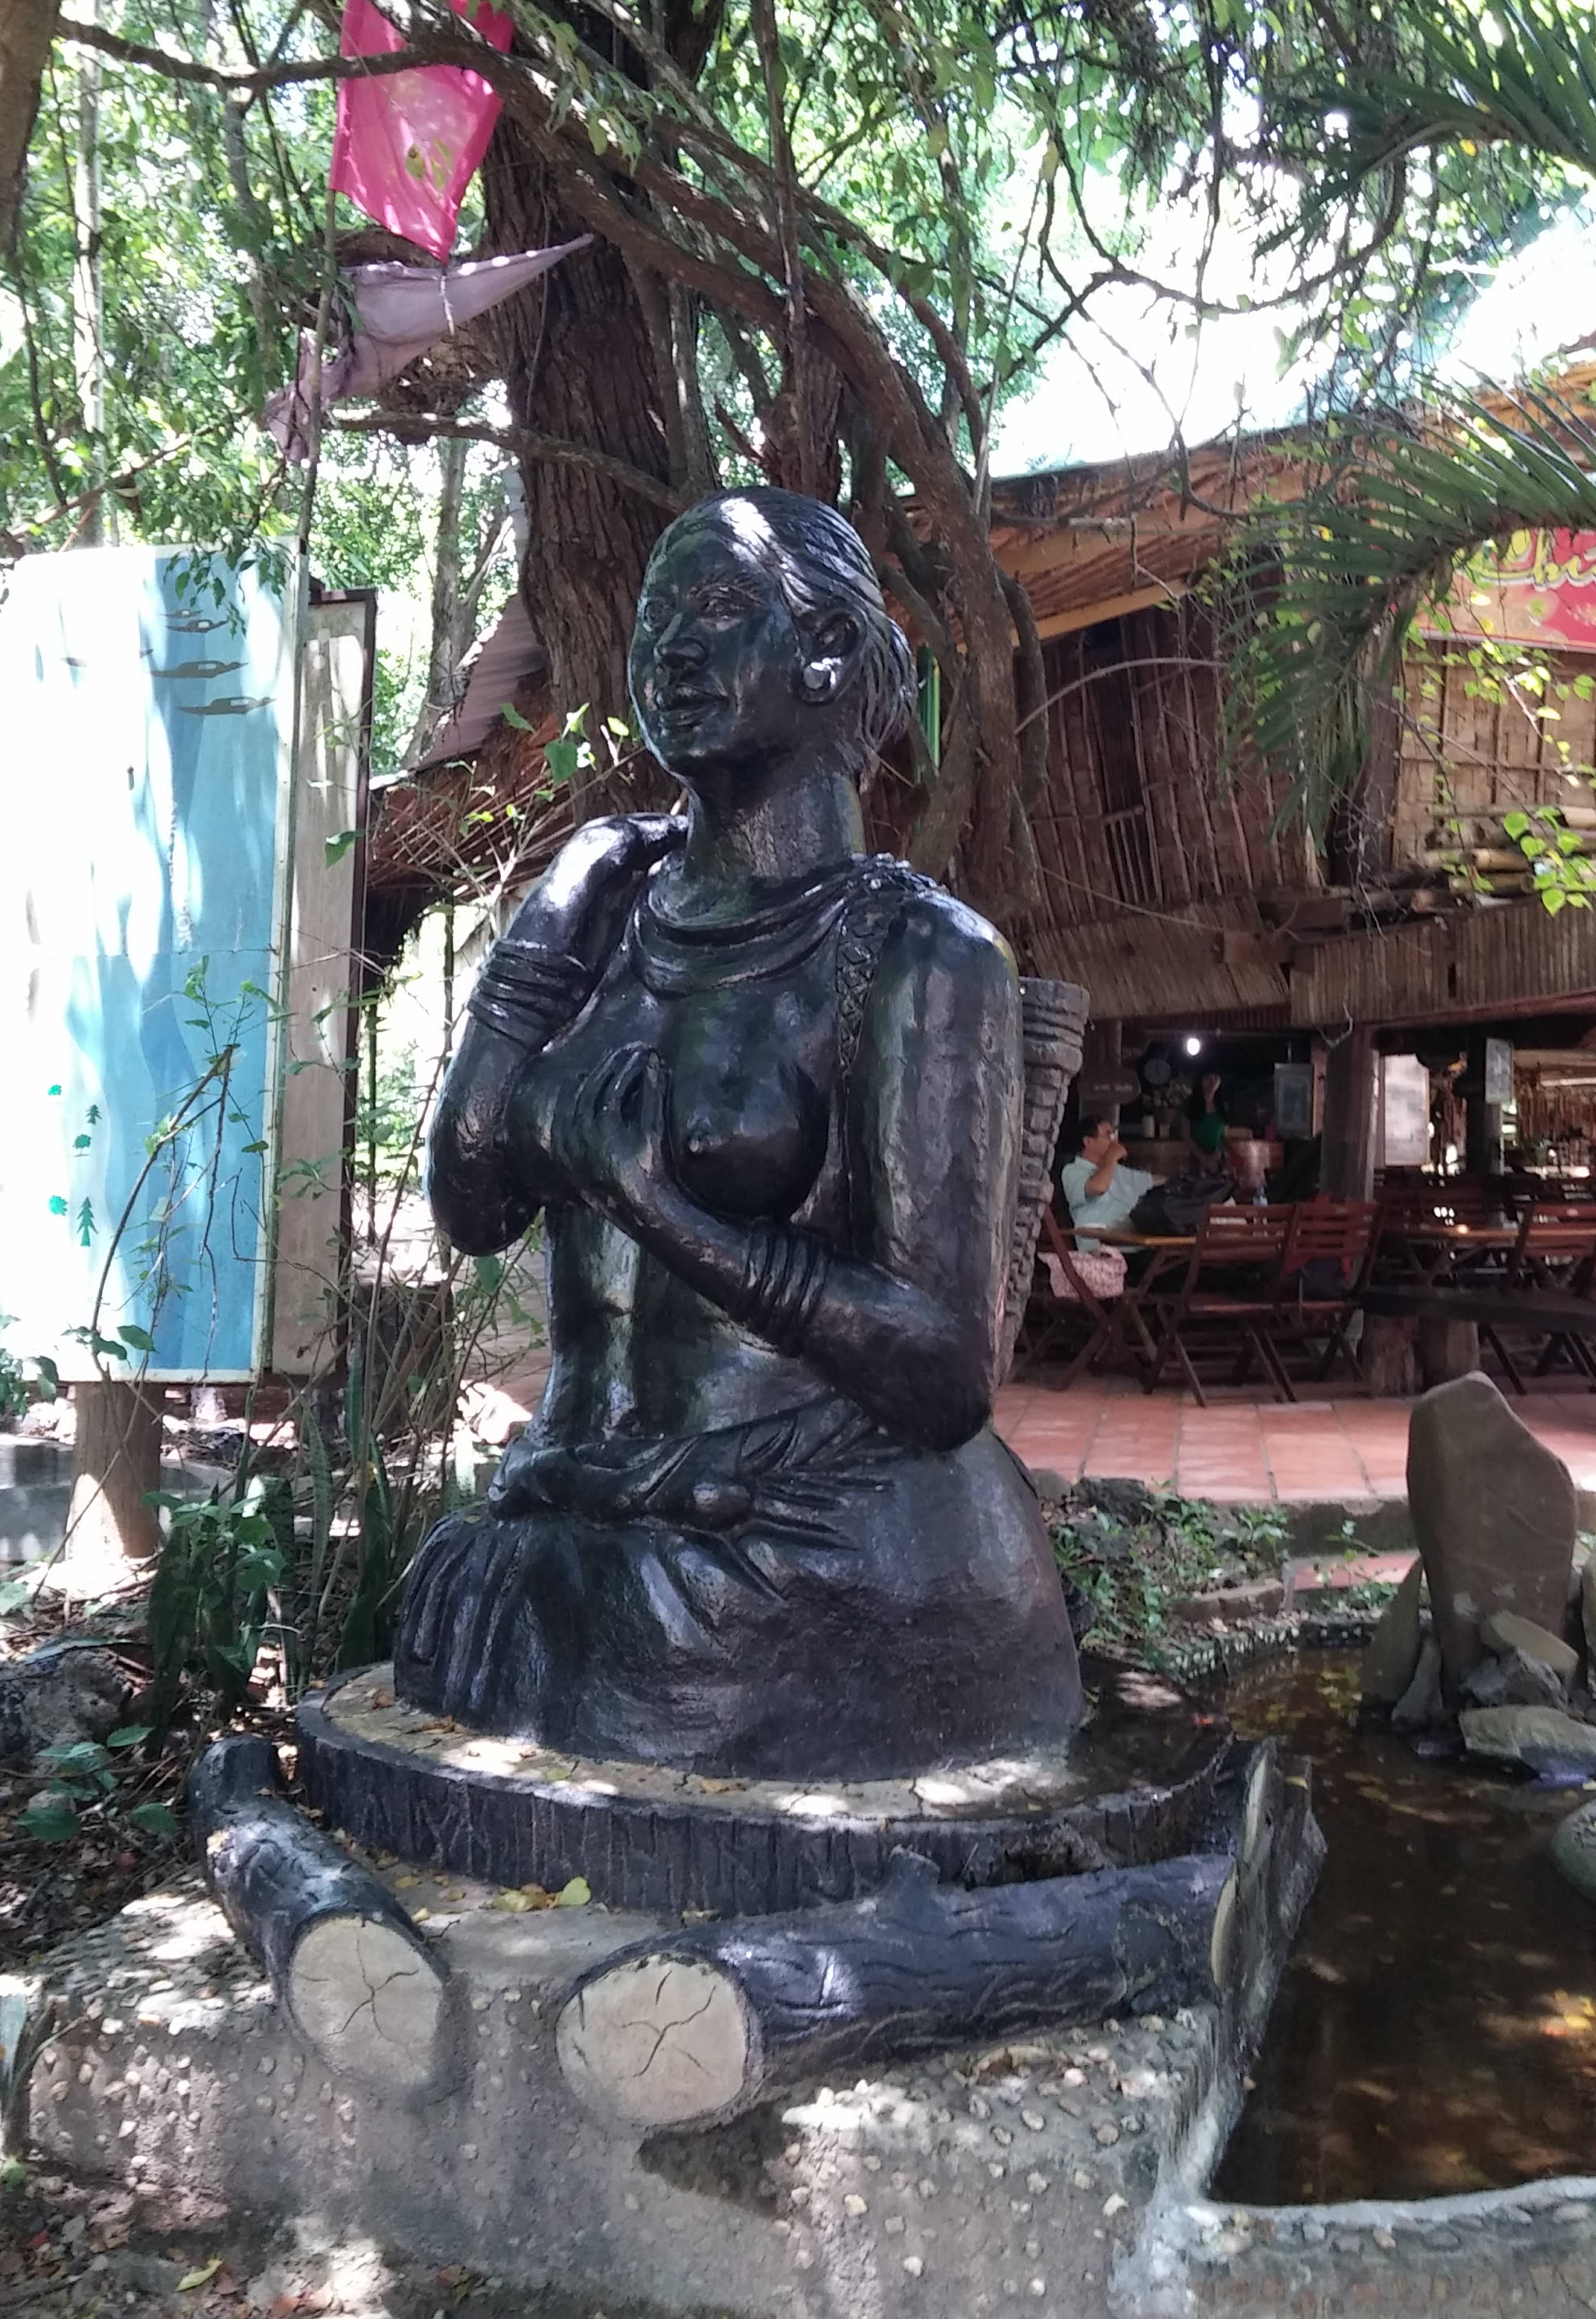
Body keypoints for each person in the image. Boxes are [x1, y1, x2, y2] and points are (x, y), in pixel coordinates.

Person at [393, 486, 1081, 1781]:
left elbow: (943, 1373)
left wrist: (669, 1214)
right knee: (467, 1596)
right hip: (580, 1504)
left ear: (826, 649)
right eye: (656, 618)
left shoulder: (920, 954)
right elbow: (470, 1204)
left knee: (631, 1655)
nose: (672, 648)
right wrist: (545, 930)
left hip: (809, 1533)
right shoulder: (606, 910)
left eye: (717, 606)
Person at [1061, 1115, 1157, 1249]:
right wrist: (1112, 1156)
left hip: (1137, 1242)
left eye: (1114, 1135)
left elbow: (1152, 1182)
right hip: (1100, 1246)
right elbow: (1099, 1187)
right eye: (1108, 1135)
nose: (1114, 1141)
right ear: (1088, 1142)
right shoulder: (1072, 1170)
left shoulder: (1119, 1170)